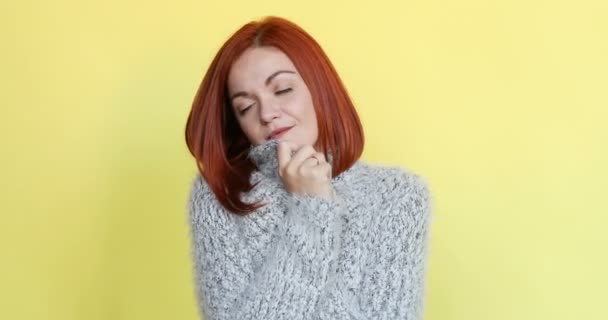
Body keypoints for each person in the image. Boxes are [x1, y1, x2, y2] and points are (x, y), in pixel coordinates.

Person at [184, 15, 432, 320]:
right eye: (245, 107)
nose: (267, 113)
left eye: (283, 89)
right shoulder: (222, 194)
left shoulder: (398, 196)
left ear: (320, 86)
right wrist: (312, 211)